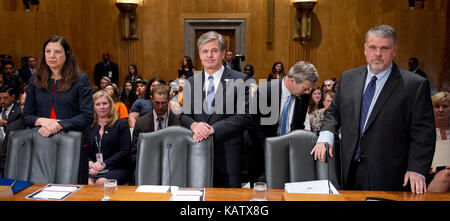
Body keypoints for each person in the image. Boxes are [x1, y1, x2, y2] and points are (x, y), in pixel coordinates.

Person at [310, 25, 435, 193]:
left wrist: (417, 168)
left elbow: (423, 133)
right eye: (373, 47)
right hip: (348, 170)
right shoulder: (348, 77)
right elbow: (334, 112)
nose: (378, 54)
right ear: (365, 49)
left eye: (384, 48)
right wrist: (325, 135)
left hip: (389, 175)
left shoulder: (414, 85)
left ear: (394, 50)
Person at [180, 31, 250, 188]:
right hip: (197, 153)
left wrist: (212, 129)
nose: (209, 55)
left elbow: (243, 116)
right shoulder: (191, 82)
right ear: (199, 54)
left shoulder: (240, 79)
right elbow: (184, 115)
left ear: (223, 53)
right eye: (205, 51)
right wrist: (194, 125)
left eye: (214, 50)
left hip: (229, 155)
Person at [22, 35, 94, 184]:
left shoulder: (81, 79)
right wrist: (44, 121)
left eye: (57, 52)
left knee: (74, 189)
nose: (52, 56)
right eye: (48, 51)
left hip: (73, 142)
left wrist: (59, 124)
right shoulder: (35, 79)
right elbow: (26, 116)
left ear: (67, 54)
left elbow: (87, 116)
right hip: (43, 142)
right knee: (43, 187)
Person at [249, 61, 318, 184]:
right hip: (263, 152)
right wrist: (273, 148)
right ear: (292, 80)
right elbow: (254, 126)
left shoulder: (304, 95)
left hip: (290, 153)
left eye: (310, 89)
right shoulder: (266, 91)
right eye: (305, 88)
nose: (308, 92)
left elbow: (299, 125)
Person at [130, 84, 180, 176]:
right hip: (147, 168)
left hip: (173, 168)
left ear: (169, 100)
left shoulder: (178, 122)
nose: (160, 107)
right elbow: (135, 152)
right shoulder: (141, 123)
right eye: (157, 103)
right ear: (151, 99)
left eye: (164, 103)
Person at [88, 90, 131, 185]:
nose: (101, 107)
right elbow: (83, 150)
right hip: (94, 168)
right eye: (98, 104)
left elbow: (125, 151)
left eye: (105, 103)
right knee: (88, 182)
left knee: (101, 182)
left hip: (117, 167)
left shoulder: (121, 124)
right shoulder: (89, 126)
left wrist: (104, 164)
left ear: (110, 105)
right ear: (93, 107)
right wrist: (91, 163)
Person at [427, 91, 450, 192]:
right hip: (429, 173)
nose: (441, 110)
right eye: (437, 106)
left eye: (445, 106)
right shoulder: (423, 131)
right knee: (445, 175)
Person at [0, 86, 23, 176]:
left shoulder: (19, 111)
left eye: (5, 98)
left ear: (13, 97)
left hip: (9, 146)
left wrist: (6, 124)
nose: (2, 101)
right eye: (0, 98)